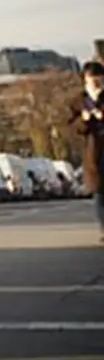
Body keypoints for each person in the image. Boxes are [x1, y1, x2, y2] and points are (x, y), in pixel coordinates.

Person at [70, 60, 104, 243]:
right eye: (92, 79)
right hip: (93, 152)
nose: (96, 83)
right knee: (100, 192)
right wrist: (84, 120)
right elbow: (72, 126)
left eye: (99, 79)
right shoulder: (79, 101)